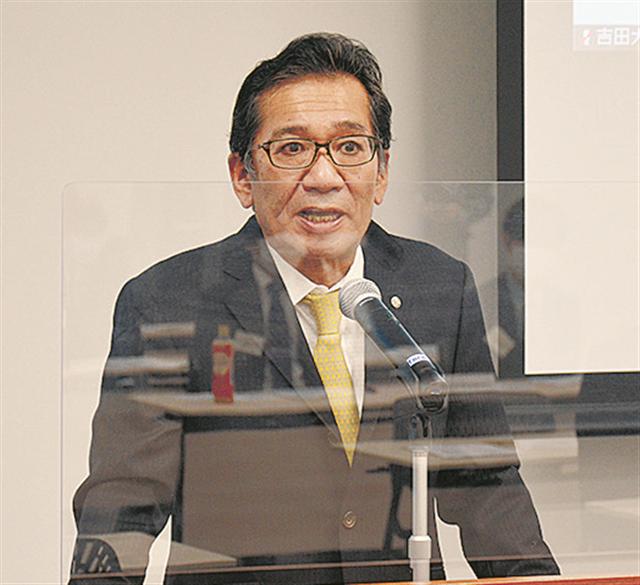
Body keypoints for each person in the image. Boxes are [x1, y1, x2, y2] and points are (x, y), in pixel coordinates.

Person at [71, 33, 559, 583]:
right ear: (242, 176)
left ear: (381, 172)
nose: (324, 178)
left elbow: (488, 487)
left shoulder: (439, 286)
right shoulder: (167, 301)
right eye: (292, 150)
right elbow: (122, 509)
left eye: (350, 147)